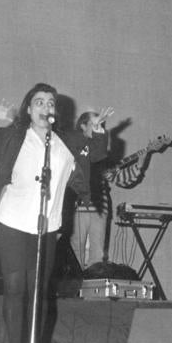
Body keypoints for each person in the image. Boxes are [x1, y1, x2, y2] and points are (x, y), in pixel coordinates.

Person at [0, 83, 92, 343]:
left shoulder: (65, 143)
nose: (45, 107)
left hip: (47, 226)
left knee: (40, 290)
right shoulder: (14, 137)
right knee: (15, 287)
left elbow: (96, 153)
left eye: (50, 102)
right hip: (12, 220)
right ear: (28, 109)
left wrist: (98, 134)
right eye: (39, 102)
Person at [66, 109, 113, 269]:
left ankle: (94, 290)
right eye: (93, 124)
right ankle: (75, 290)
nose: (98, 127)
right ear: (82, 125)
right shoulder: (73, 142)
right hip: (78, 206)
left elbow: (98, 153)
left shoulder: (98, 148)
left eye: (100, 124)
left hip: (99, 206)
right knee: (75, 250)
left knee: (97, 253)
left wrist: (99, 131)